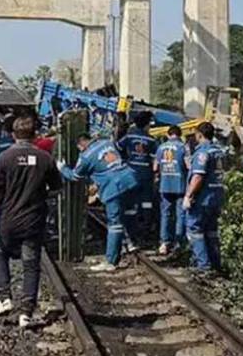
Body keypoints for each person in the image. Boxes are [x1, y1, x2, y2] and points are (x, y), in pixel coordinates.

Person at [0, 116, 61, 328]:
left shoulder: (4, 157)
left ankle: (4, 297)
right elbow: (56, 188)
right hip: (34, 220)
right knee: (31, 264)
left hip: (9, 218)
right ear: (35, 135)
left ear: (13, 135)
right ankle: (26, 313)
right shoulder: (45, 158)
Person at [60, 134, 140, 272]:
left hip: (113, 187)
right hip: (130, 179)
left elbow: (75, 176)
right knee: (128, 213)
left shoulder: (85, 156)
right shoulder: (106, 142)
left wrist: (62, 168)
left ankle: (111, 261)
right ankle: (131, 242)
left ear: (81, 145)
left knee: (114, 224)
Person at [183, 122, 226, 273]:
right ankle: (215, 263)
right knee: (211, 231)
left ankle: (203, 265)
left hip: (203, 198)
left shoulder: (203, 152)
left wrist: (189, 195)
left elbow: (198, 177)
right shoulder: (219, 151)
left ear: (199, 134)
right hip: (217, 197)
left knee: (194, 229)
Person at [117, 111, 158, 244]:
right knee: (146, 202)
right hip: (146, 175)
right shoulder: (151, 140)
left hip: (131, 174)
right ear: (146, 125)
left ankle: (131, 231)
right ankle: (145, 228)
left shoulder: (129, 136)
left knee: (130, 203)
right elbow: (155, 159)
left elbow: (117, 147)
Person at [154, 125, 188, 255]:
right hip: (180, 185)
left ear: (168, 135)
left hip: (165, 185)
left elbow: (155, 167)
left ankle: (164, 243)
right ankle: (178, 243)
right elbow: (188, 165)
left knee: (165, 214)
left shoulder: (161, 147)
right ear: (180, 135)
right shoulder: (183, 147)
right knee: (180, 214)